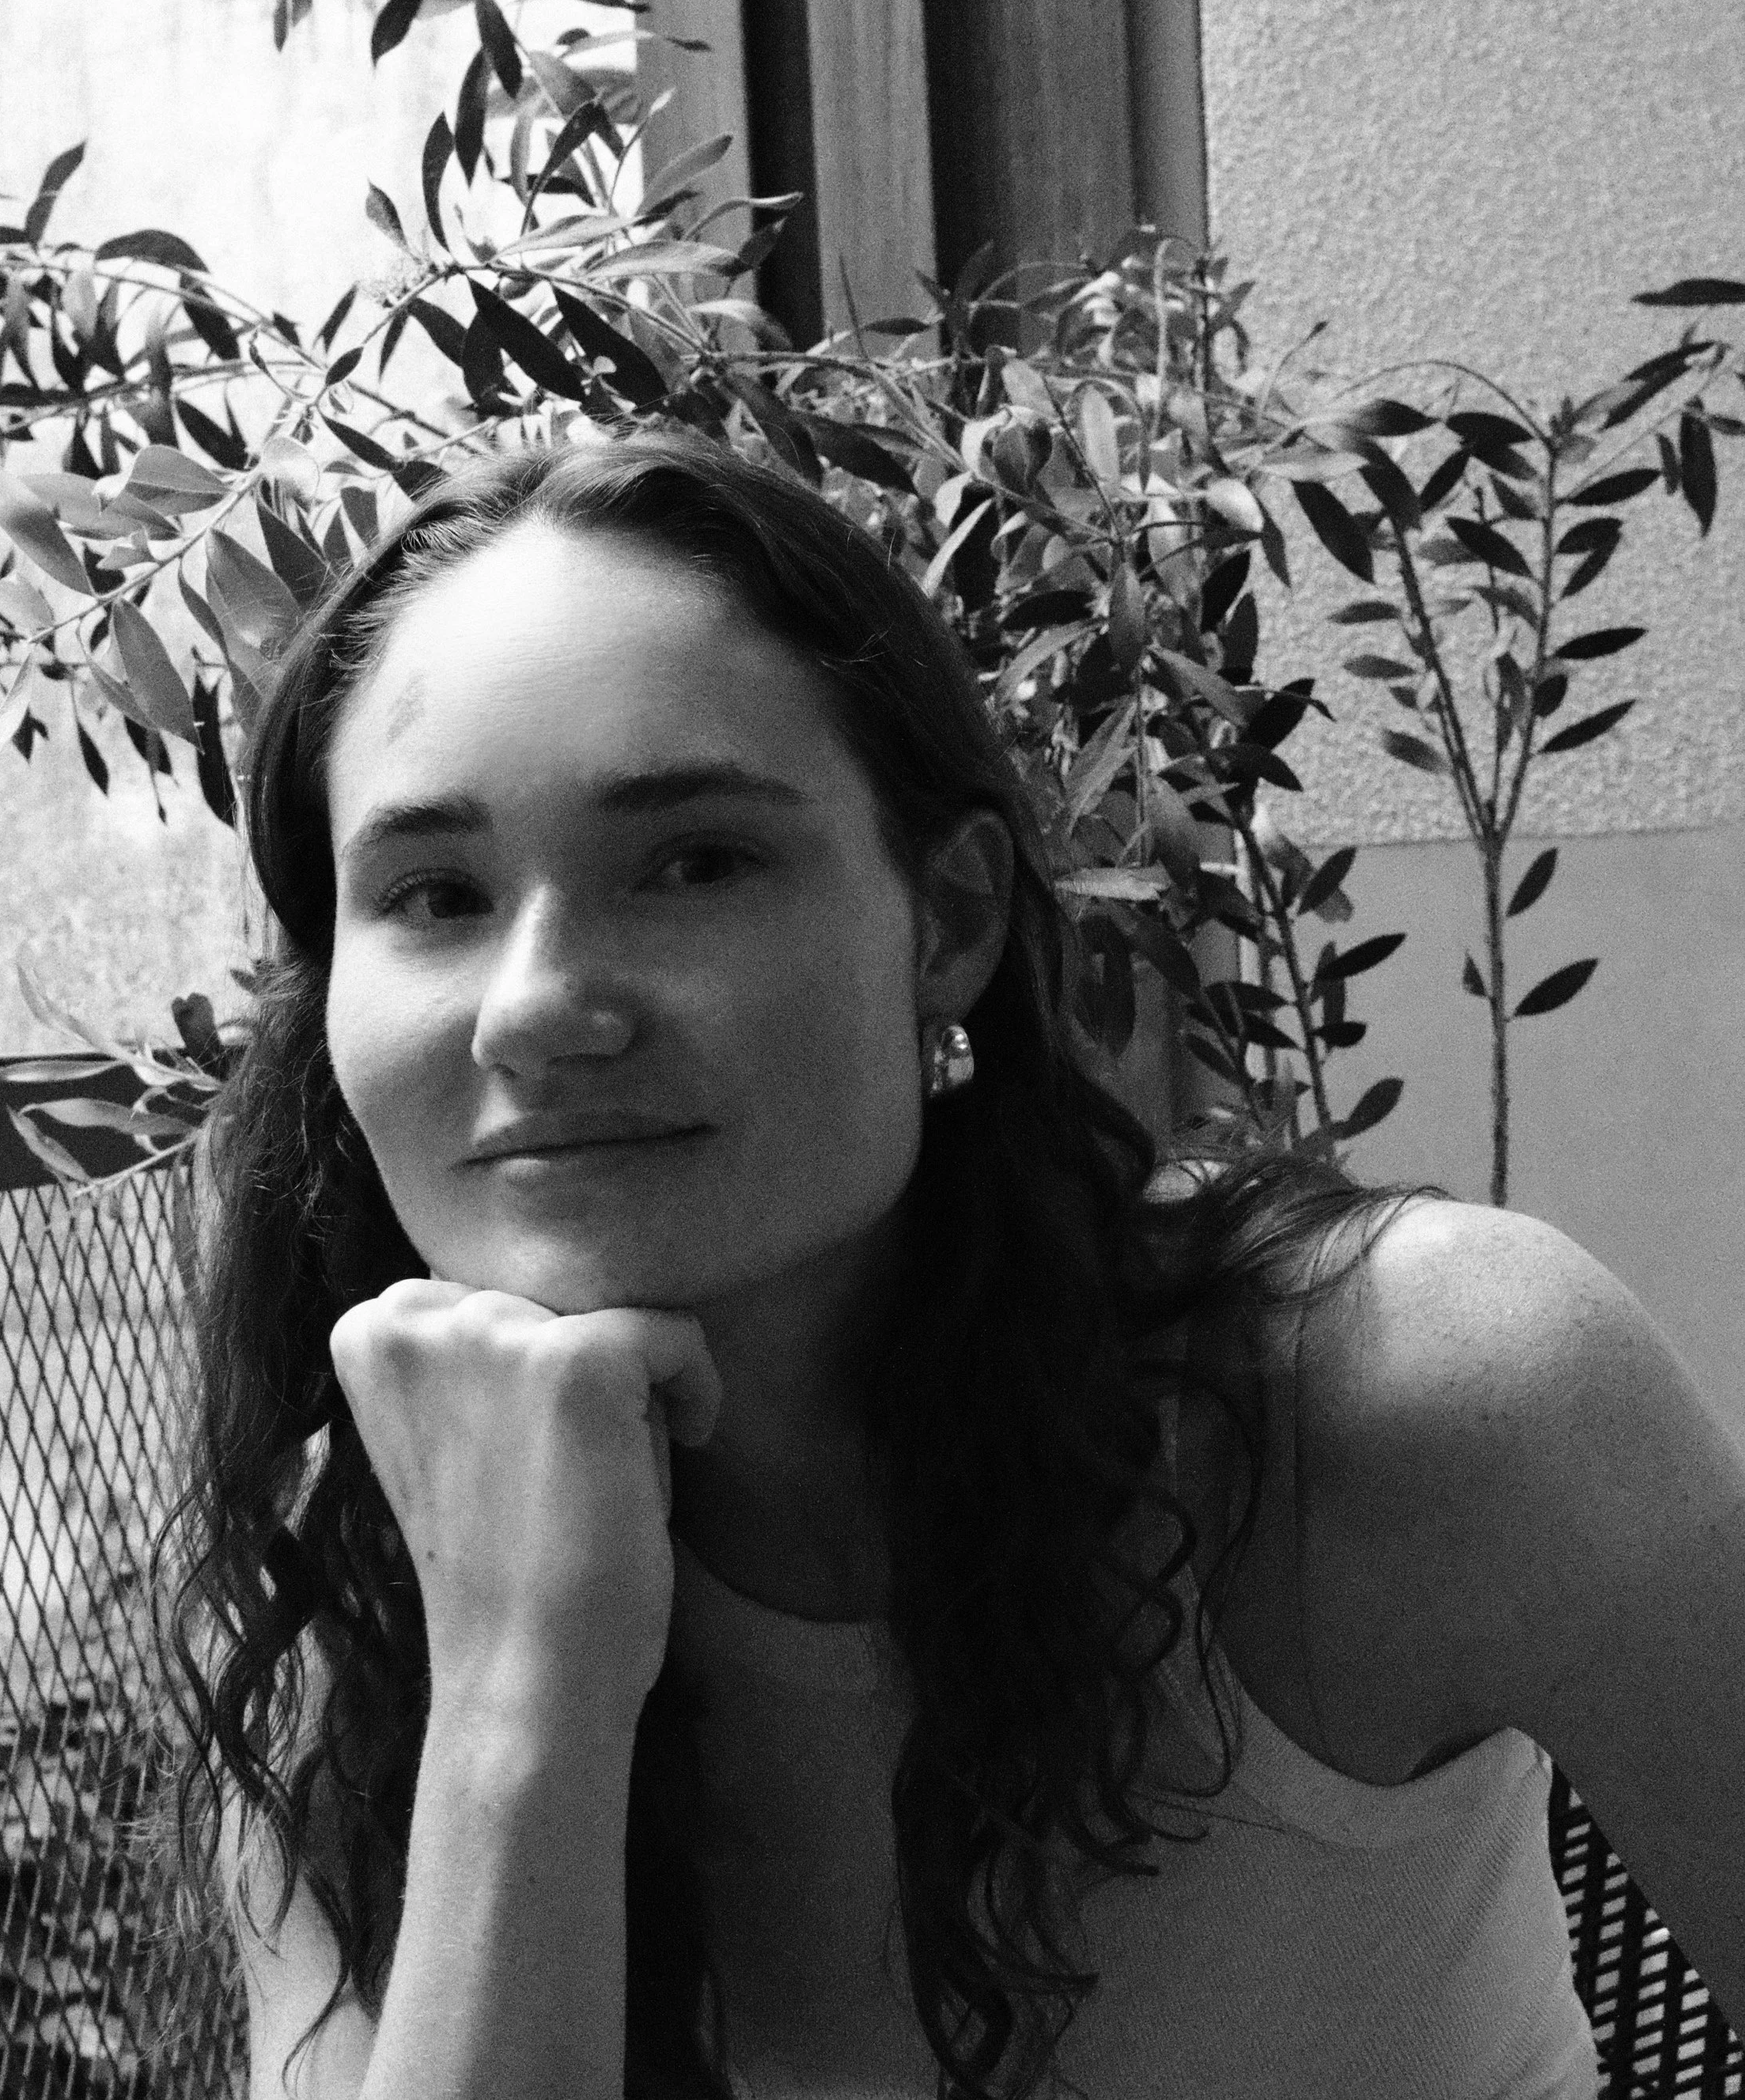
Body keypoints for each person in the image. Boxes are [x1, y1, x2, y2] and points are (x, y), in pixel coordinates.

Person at [156, 429, 1745, 2100]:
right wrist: (516, 1678)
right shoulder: (359, 1572)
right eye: (432, 894)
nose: (540, 1005)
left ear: (949, 922)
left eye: (694, 861)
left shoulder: (1416, 1389)